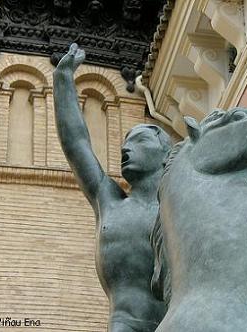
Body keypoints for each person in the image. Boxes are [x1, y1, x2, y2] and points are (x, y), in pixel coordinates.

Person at [53, 43, 170, 332]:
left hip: (179, 322)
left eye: (139, 141)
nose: (126, 149)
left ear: (166, 153)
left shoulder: (177, 207)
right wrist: (63, 79)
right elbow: (76, 144)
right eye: (124, 143)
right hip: (125, 324)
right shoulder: (109, 201)